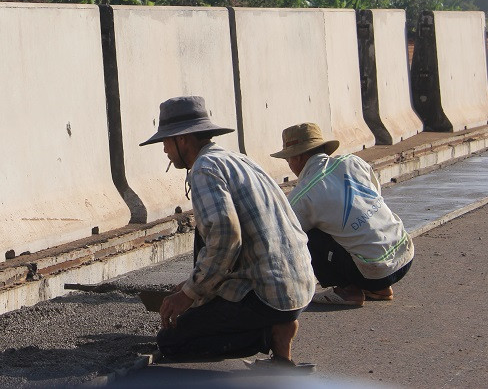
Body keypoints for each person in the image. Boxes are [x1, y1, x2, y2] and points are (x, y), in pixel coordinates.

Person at [140, 96, 316, 366]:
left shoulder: (203, 170)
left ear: (183, 139)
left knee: (172, 341)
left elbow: (226, 238)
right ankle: (277, 334)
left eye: (166, 141)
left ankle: (271, 332)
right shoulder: (237, 160)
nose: (164, 149)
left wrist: (188, 294)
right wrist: (194, 286)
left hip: (269, 293)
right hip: (300, 285)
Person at [272, 122, 415, 306]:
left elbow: (286, 236)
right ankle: (379, 288)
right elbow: (375, 192)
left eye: (288, 159)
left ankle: (347, 290)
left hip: (373, 271)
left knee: (307, 236)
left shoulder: (304, 194)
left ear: (298, 157)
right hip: (406, 254)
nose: (289, 165)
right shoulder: (352, 162)